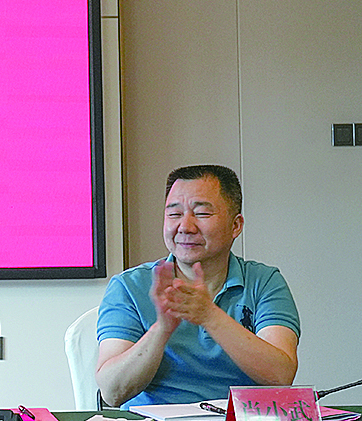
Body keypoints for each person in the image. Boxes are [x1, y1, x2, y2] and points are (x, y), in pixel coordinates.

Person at [95, 164, 299, 408]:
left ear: (236, 225)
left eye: (201, 214)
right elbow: (112, 392)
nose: (185, 227)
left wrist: (209, 316)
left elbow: (280, 376)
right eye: (174, 214)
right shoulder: (129, 286)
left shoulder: (264, 281)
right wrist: (161, 330)